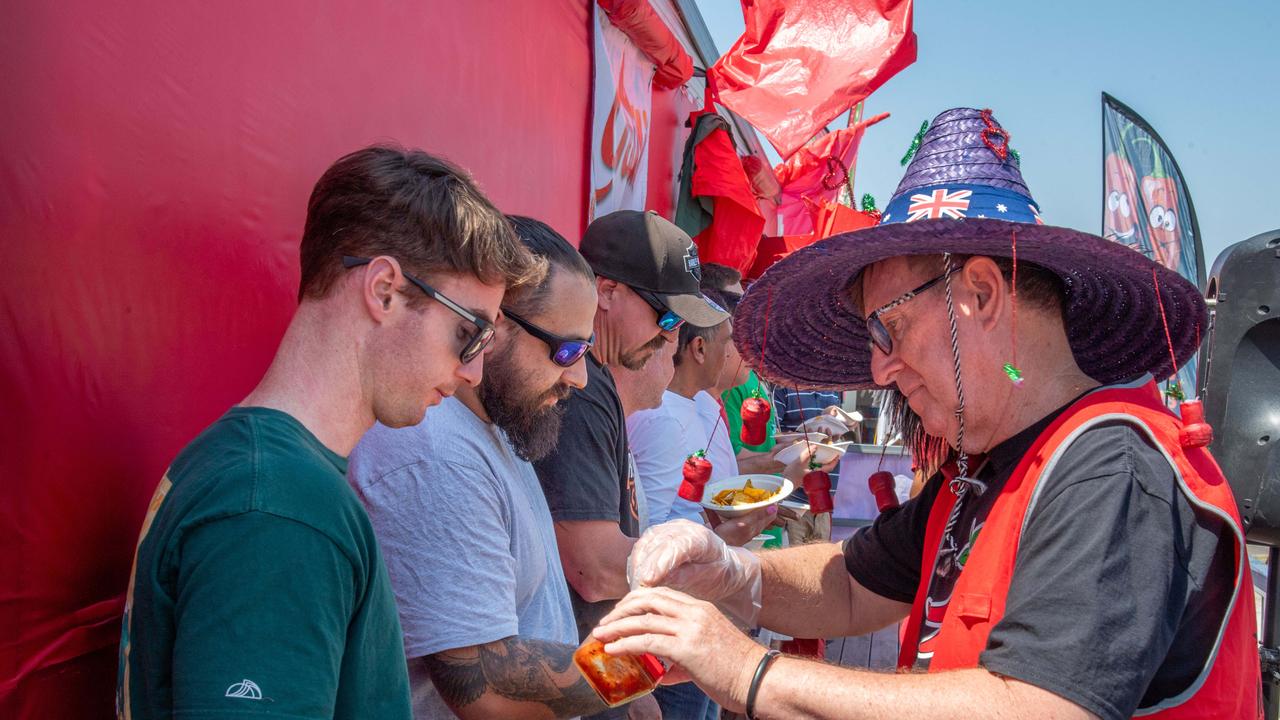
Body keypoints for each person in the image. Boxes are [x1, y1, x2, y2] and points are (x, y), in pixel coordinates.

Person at [592, 108, 1260, 720]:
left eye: (888, 329)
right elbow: (854, 586)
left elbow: (1038, 706)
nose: (879, 369)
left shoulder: (1111, 466)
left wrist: (748, 671)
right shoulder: (993, 464)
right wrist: (731, 573)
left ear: (981, 292)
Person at [116, 146, 544, 719]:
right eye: (470, 334)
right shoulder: (278, 510)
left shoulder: (260, 477)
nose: (473, 371)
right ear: (384, 290)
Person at [349, 216, 629, 720]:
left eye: (587, 351)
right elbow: (487, 687)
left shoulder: (494, 422)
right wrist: (650, 663)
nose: (581, 377)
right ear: (493, 326)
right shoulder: (438, 453)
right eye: (566, 350)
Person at [533, 210, 728, 720]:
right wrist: (725, 576)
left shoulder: (597, 388)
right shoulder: (585, 388)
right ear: (606, 291)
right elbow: (593, 568)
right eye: (666, 319)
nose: (671, 338)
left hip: (591, 681)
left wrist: (635, 690)